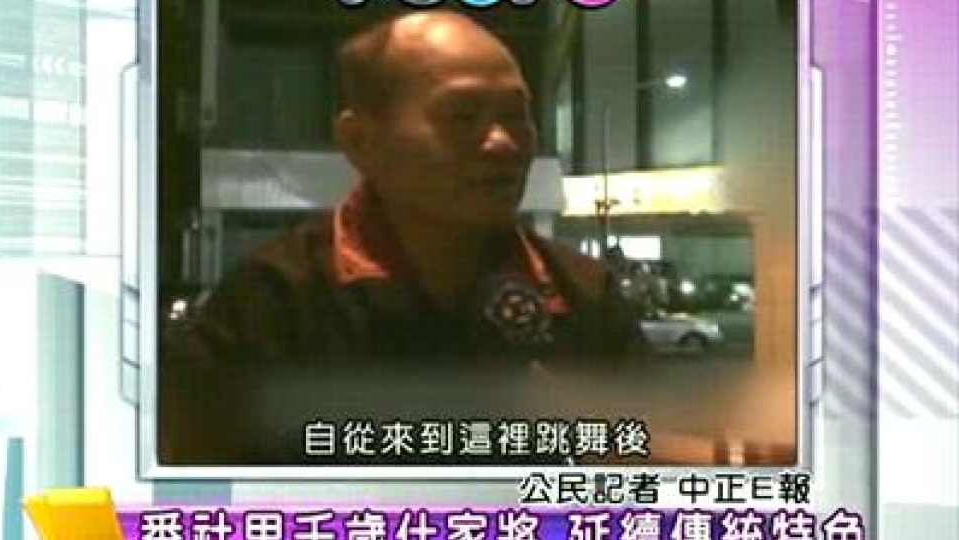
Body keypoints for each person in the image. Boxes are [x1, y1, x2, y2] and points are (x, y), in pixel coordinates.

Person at [160, 11, 643, 465]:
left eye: (517, 116)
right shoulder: (271, 303)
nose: (503, 142)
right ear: (360, 142)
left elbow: (656, 470)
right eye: (462, 115)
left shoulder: (584, 294)